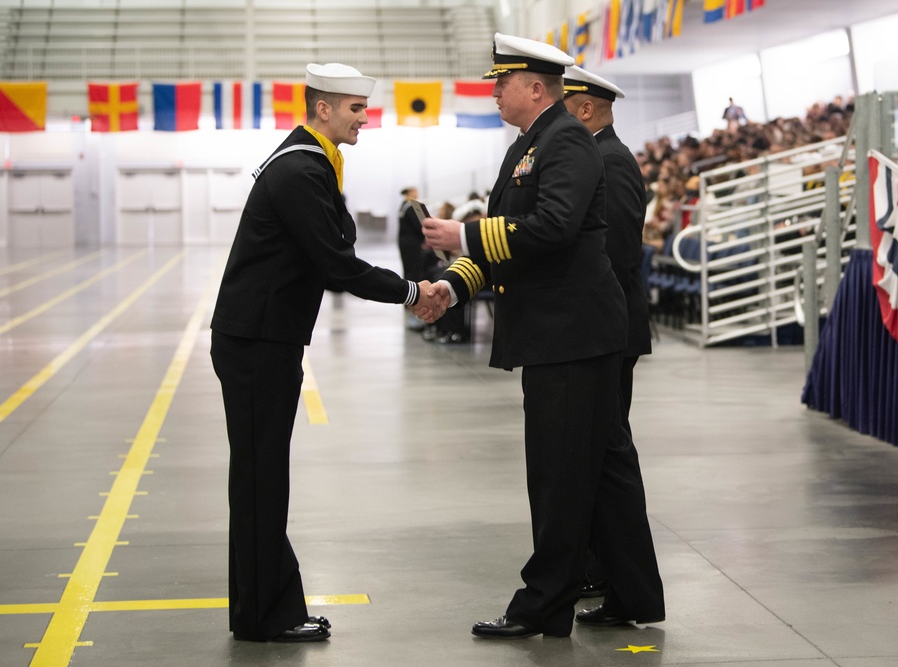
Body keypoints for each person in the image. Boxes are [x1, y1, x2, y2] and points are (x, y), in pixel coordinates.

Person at [422, 33, 665, 639]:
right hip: (565, 333)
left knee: (559, 475)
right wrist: (454, 285)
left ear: (536, 87)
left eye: (501, 82)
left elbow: (550, 229)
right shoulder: (531, 146)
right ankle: (634, 593)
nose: (495, 91)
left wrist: (466, 237)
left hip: (573, 337)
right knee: (605, 470)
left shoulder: (569, 144)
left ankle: (544, 606)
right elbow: (516, 243)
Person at [210, 62, 444, 643]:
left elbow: (335, 246)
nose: (365, 119)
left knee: (259, 477)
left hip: (262, 335)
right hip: (259, 339)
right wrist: (413, 291)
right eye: (354, 109)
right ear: (323, 109)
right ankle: (268, 615)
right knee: (263, 478)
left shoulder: (307, 161)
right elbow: (337, 263)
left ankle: (260, 611)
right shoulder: (300, 170)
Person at [562, 65, 658, 601]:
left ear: (586, 108)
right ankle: (596, 564)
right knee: (592, 450)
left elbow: (616, 254)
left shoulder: (610, 160)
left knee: (603, 450)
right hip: (598, 328)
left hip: (610, 330)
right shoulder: (593, 156)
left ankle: (605, 567)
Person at [397, 186, 442, 336]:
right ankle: (412, 298)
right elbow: (418, 226)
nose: (417, 193)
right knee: (414, 271)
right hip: (412, 245)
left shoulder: (402, 206)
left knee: (408, 270)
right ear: (410, 192)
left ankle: (408, 297)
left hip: (404, 243)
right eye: (414, 191)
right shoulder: (410, 207)